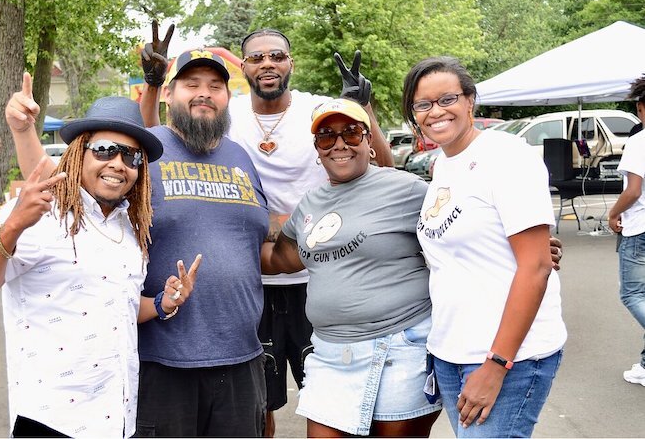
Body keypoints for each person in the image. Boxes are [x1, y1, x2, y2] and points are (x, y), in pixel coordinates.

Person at [139, 22, 394, 436]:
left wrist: (364, 110)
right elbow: (151, 141)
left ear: (290, 62)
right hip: (248, 290)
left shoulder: (311, 112)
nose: (267, 64)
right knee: (261, 414)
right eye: (256, 58)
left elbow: (378, 167)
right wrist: (152, 83)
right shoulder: (224, 117)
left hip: (314, 280)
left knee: (339, 407)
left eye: (276, 55)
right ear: (244, 67)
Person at [11, 52, 270, 437]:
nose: (204, 94)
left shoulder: (242, 158)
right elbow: (63, 183)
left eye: (215, 86)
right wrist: (22, 131)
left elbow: (259, 239)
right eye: (192, 85)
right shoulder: (142, 153)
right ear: (169, 93)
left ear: (228, 98)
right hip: (162, 361)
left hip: (240, 357)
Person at [0, 88, 201, 438]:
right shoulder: (41, 213)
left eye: (132, 157)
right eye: (106, 150)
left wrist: (164, 304)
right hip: (53, 421)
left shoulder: (128, 228)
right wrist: (14, 223)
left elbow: (120, 306)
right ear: (80, 153)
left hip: (117, 418)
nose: (119, 163)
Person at [402, 56, 567, 437]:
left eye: (447, 99)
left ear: (470, 100)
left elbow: (536, 267)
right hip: (451, 351)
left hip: (508, 358)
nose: (435, 112)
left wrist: (496, 364)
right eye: (422, 105)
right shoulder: (442, 166)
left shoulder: (507, 156)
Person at [260, 98, 441, 437]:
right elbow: (279, 259)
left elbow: (464, 225)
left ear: (369, 142)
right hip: (330, 354)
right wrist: (225, 246)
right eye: (327, 136)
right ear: (318, 148)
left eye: (352, 133)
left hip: (399, 346)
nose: (339, 143)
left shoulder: (404, 189)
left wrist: (522, 244)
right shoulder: (310, 204)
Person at [607, 74, 645, 386]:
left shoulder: (639, 141)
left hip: (640, 228)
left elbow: (633, 191)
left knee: (632, 294)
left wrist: (613, 212)